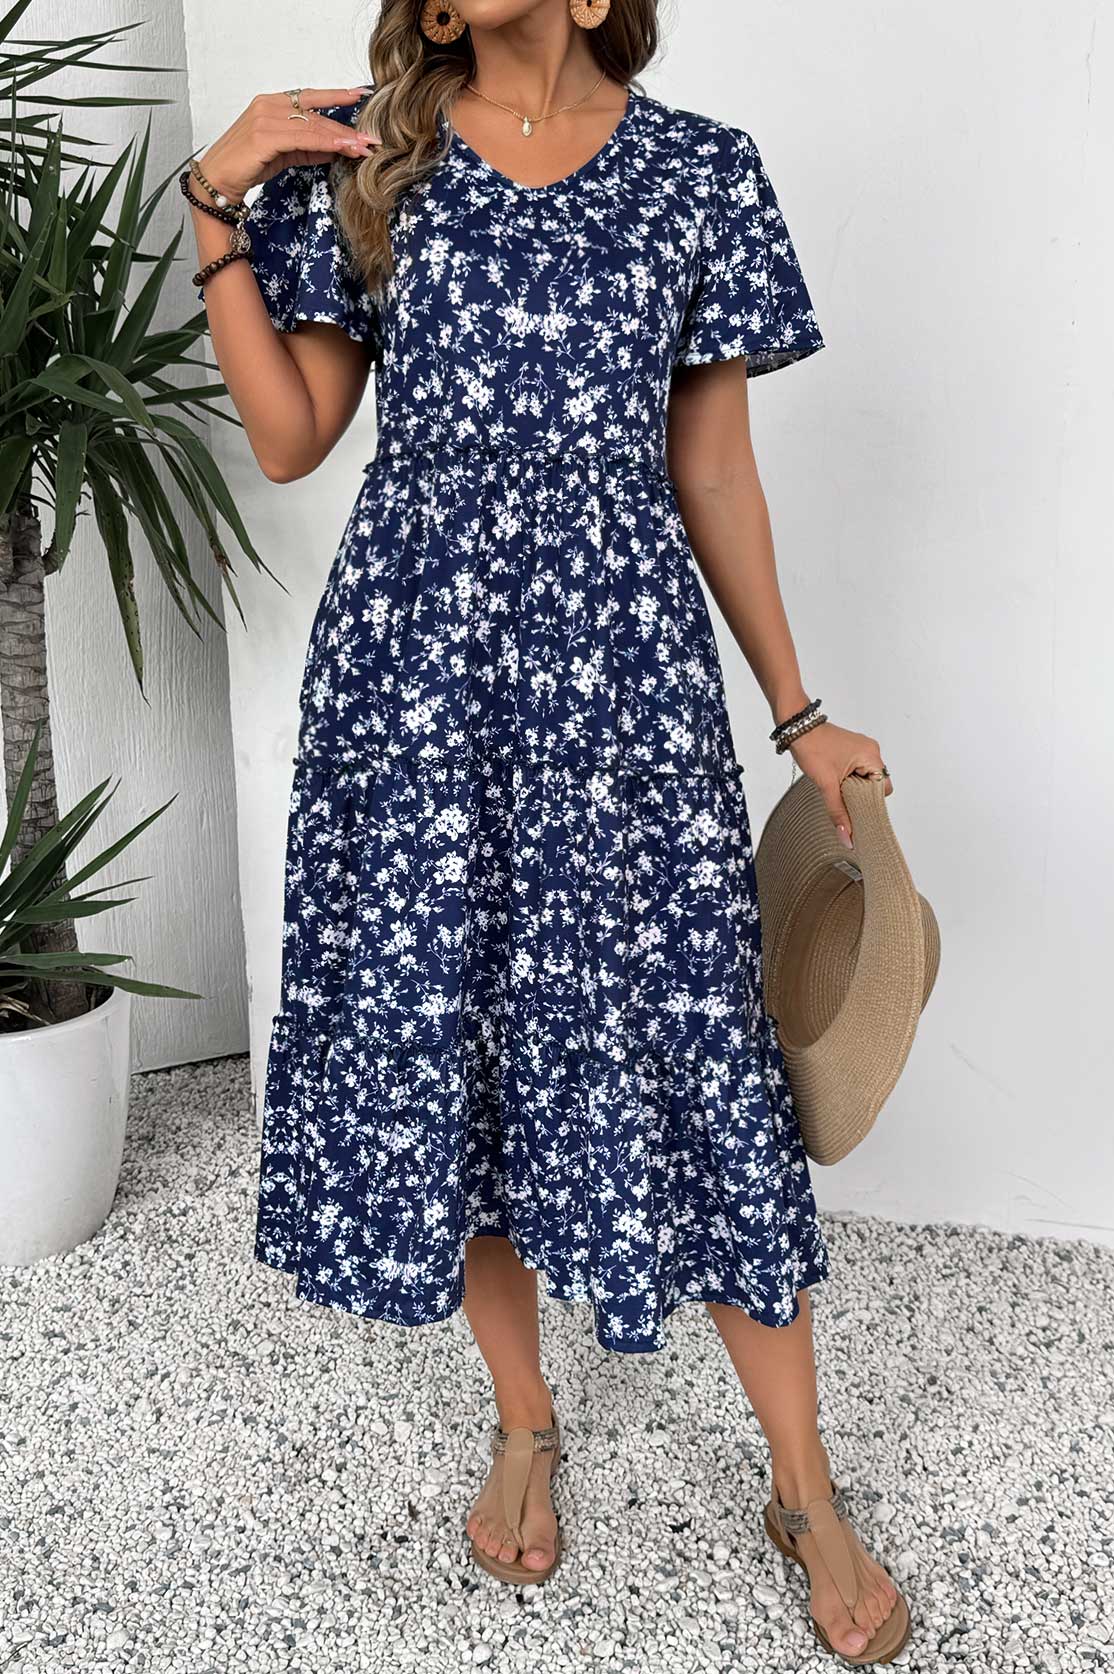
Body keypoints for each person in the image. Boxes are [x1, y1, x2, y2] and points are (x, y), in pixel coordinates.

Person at [186, 0, 907, 1661]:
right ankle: (525, 1415)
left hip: (622, 689)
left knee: (695, 1047)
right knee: (468, 1044)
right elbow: (292, 437)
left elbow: (710, 469)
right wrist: (217, 208)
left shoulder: (700, 173)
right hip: (416, 683)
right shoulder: (379, 161)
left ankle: (803, 1480)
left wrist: (799, 709)